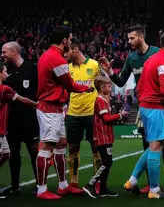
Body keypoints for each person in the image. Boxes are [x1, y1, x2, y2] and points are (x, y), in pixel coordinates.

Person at [100, 25, 164, 195]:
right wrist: (110, 72)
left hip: (160, 103)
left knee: (163, 145)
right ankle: (152, 185)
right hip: (149, 104)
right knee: (151, 144)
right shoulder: (132, 59)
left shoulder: (157, 53)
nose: (129, 42)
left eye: (131, 38)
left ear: (141, 37)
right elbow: (120, 82)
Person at [123, 31, 164, 199]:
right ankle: (155, 190)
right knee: (157, 147)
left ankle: (132, 181)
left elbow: (140, 85)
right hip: (155, 108)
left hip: (146, 106)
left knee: (153, 145)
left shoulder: (152, 59)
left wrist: (144, 103)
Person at [35, 26, 94, 199]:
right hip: (50, 108)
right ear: (64, 40)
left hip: (56, 108)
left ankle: (63, 185)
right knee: (47, 147)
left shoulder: (50, 56)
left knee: (61, 144)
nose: (71, 41)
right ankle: (41, 189)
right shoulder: (56, 59)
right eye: (70, 38)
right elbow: (70, 84)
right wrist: (87, 88)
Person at [0, 42, 39, 197]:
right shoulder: (5, 71)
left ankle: (39, 185)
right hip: (11, 120)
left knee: (34, 152)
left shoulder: (31, 69)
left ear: (14, 52)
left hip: (30, 119)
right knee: (13, 154)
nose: (2, 55)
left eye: (4, 52)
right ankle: (15, 186)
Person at [82, 76, 129, 198]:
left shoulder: (103, 100)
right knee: (107, 162)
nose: (110, 87)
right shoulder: (100, 101)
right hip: (102, 136)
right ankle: (90, 185)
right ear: (102, 88)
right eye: (108, 85)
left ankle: (103, 189)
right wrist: (120, 115)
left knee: (107, 162)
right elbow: (106, 119)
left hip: (106, 136)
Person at [66, 38, 103, 190]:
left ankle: (97, 182)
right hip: (73, 113)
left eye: (68, 50)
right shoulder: (67, 68)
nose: (66, 53)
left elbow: (103, 85)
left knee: (96, 148)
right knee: (73, 148)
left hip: (91, 114)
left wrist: (103, 107)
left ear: (75, 50)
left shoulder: (94, 65)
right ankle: (73, 182)